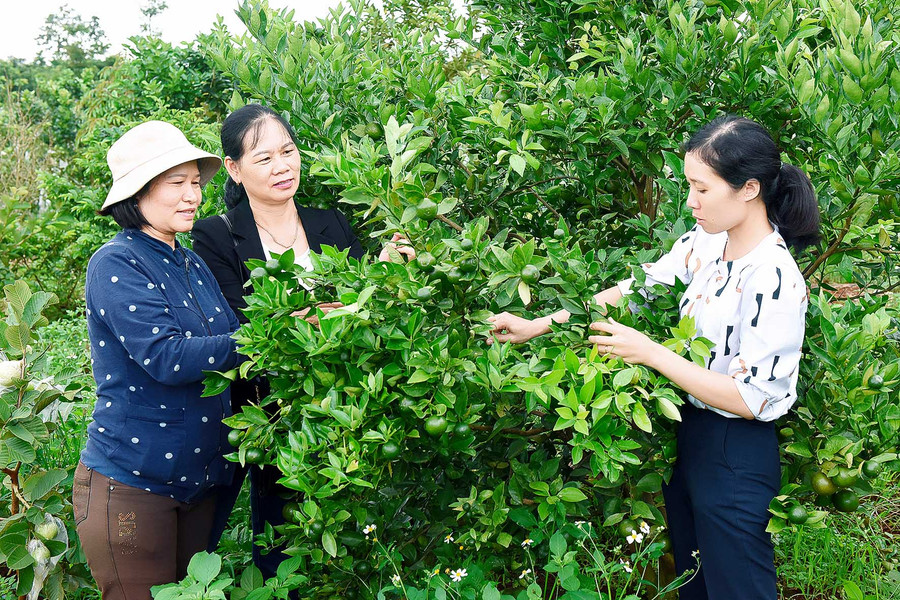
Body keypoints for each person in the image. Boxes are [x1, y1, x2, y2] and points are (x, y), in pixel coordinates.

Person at [488, 115, 820, 599]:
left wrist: (651, 354)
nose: (691, 201)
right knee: (697, 581)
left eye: (702, 189)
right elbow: (635, 289)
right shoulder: (707, 243)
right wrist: (536, 325)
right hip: (692, 435)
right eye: (689, 185)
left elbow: (754, 399)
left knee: (741, 588)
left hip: (737, 450)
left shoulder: (773, 277)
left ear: (749, 188)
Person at [192, 103, 413, 579]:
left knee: (314, 541)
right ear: (233, 168)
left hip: (334, 405)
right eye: (264, 158)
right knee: (238, 539)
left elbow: (363, 301)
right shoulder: (214, 236)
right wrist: (305, 318)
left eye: (287, 152)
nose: (282, 166)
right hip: (259, 411)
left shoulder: (329, 222)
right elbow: (237, 321)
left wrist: (387, 269)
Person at [73, 121, 243, 600]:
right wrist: (261, 338)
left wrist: (299, 321)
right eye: (177, 184)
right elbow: (165, 357)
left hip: (199, 482)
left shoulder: (189, 259)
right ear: (139, 192)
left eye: (196, 183)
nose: (193, 196)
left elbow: (230, 335)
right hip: (133, 483)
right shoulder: (116, 261)